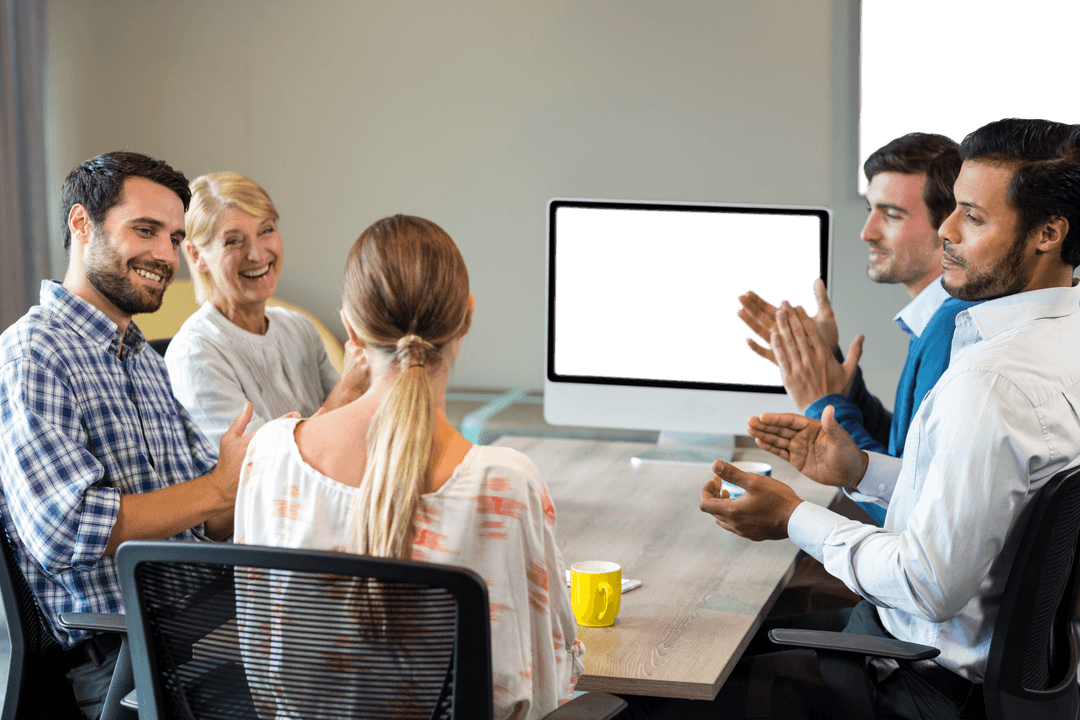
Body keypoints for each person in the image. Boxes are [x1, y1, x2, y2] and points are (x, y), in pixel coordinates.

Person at [622, 117, 1080, 720]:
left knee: (658, 682)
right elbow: (986, 500)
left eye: (971, 216)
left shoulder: (990, 383)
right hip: (995, 675)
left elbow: (929, 585)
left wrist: (793, 517)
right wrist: (862, 470)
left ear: (1048, 232)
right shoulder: (1059, 344)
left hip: (917, 682)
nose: (945, 229)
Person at [233, 214, 584, 719]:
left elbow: (260, 654)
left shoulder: (269, 455)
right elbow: (548, 683)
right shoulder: (505, 482)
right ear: (466, 318)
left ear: (350, 328)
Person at [0, 152, 256, 719]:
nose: (167, 255)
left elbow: (205, 511)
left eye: (175, 237)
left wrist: (243, 483)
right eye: (146, 230)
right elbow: (63, 530)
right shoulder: (33, 352)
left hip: (202, 622)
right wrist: (218, 487)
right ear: (81, 224)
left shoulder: (144, 358)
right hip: (124, 655)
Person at [738, 133, 976, 524]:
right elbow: (903, 454)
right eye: (870, 210)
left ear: (948, 226)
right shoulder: (936, 318)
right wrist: (841, 387)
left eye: (891, 214)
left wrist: (821, 402)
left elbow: (908, 507)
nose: (867, 232)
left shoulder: (952, 327)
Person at [165, 171, 369, 446]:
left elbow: (352, 425)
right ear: (196, 255)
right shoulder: (194, 353)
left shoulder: (300, 329)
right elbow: (261, 465)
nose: (258, 254)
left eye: (266, 230)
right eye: (233, 240)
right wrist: (348, 388)